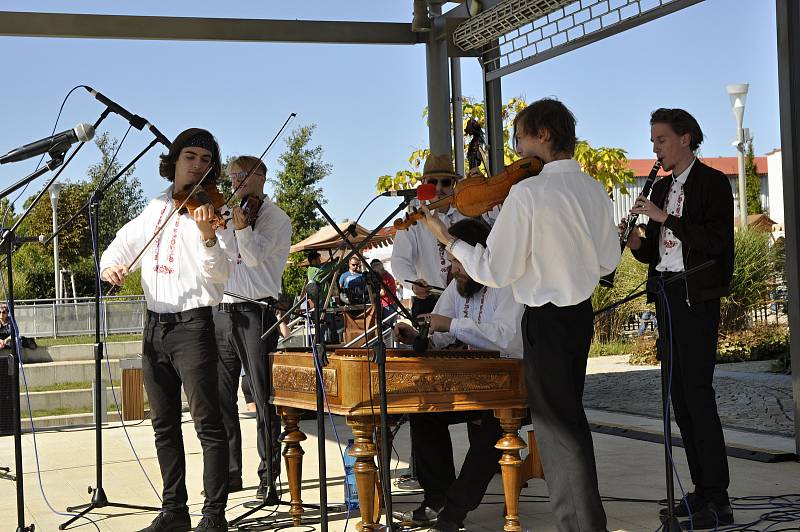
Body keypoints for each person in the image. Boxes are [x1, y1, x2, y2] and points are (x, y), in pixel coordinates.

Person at [421, 98, 619, 531]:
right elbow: (607, 262)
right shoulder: (593, 189)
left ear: (543, 136)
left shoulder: (528, 192)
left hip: (546, 319)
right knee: (569, 424)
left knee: (558, 432)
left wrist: (447, 239)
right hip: (579, 317)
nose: (515, 150)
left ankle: (583, 526)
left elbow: (495, 270)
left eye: (520, 138)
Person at [100, 128, 236, 532]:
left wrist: (209, 236)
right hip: (154, 325)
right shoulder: (156, 206)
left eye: (205, 160)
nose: (196, 164)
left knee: (207, 423)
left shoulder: (214, 212)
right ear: (175, 159)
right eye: (189, 156)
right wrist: (111, 266)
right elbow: (119, 247)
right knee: (163, 424)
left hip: (193, 325)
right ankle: (174, 511)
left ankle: (214, 515)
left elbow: (222, 275)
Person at [626, 108, 734, 528]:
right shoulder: (664, 186)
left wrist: (664, 217)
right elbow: (656, 251)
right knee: (679, 399)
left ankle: (718, 498)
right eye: (653, 141)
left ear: (686, 138)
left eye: (662, 140)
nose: (656, 148)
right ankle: (700, 489)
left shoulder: (712, 184)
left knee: (698, 395)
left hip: (697, 298)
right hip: (667, 295)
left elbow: (716, 242)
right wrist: (636, 241)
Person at [394, 219, 523, 532]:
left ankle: (454, 512)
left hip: (514, 385)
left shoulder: (509, 283)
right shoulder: (457, 286)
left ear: (478, 257)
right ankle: (437, 497)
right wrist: (416, 335)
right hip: (472, 385)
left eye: (458, 263)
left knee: (492, 430)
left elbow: (506, 339)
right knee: (423, 412)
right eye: (451, 263)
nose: (453, 271)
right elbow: (440, 329)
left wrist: (450, 326)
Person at [213, 155, 291, 504]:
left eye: (240, 176)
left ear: (260, 176)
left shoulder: (277, 219)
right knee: (221, 397)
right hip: (224, 308)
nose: (234, 184)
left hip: (257, 310)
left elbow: (255, 256)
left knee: (262, 397)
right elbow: (226, 256)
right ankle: (230, 472)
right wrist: (217, 230)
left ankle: (269, 477)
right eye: (230, 178)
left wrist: (242, 228)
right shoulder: (232, 213)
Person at [390, 154, 467, 318]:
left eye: (445, 182)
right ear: (423, 184)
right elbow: (399, 260)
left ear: (453, 184)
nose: (439, 188)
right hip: (429, 301)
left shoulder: (466, 214)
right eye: (433, 182)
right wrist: (413, 283)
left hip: (466, 300)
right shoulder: (412, 220)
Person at [370, 258, 399, 324]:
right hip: (391, 303)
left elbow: (382, 292)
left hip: (389, 304)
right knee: (392, 326)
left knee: (387, 326)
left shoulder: (385, 277)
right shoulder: (387, 275)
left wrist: (371, 296)